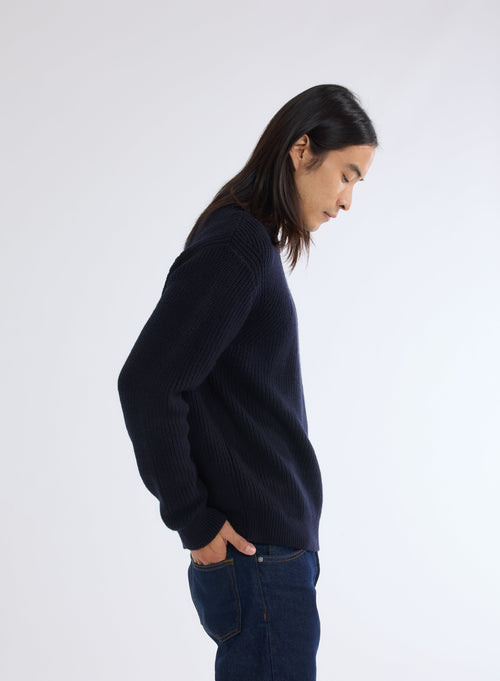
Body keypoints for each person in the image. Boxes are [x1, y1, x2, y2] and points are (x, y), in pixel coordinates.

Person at [117, 83, 378, 681]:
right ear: (301, 150)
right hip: (259, 558)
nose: (347, 200)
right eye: (346, 175)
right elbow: (148, 383)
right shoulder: (238, 244)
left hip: (269, 556)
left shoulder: (247, 242)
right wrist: (195, 520)